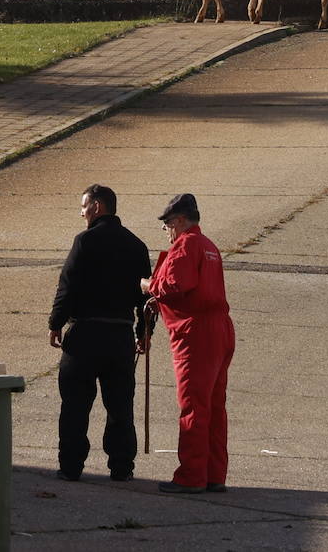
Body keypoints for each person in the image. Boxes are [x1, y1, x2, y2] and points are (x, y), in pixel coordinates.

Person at [49, 184, 152, 483]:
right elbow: (146, 299)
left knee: (75, 404)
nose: (81, 212)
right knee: (120, 405)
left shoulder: (84, 242)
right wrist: (143, 332)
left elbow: (67, 286)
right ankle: (121, 467)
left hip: (85, 335)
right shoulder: (137, 246)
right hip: (119, 337)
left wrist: (55, 322)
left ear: (96, 207)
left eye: (84, 206)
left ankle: (71, 466)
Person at [147, 193, 235, 494]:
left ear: (181, 220)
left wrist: (148, 285)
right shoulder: (209, 246)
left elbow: (173, 285)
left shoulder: (186, 245)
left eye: (168, 224)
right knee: (213, 405)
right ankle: (214, 473)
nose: (167, 231)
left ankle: (191, 475)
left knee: (193, 405)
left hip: (195, 332)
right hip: (220, 329)